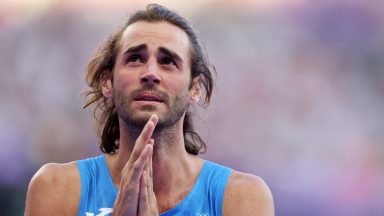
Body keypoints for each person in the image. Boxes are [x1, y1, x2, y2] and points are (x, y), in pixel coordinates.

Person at [25, 4, 274, 216]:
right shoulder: (57, 188)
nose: (150, 74)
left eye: (168, 61)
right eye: (135, 58)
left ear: (194, 88)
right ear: (107, 81)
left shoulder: (241, 197)